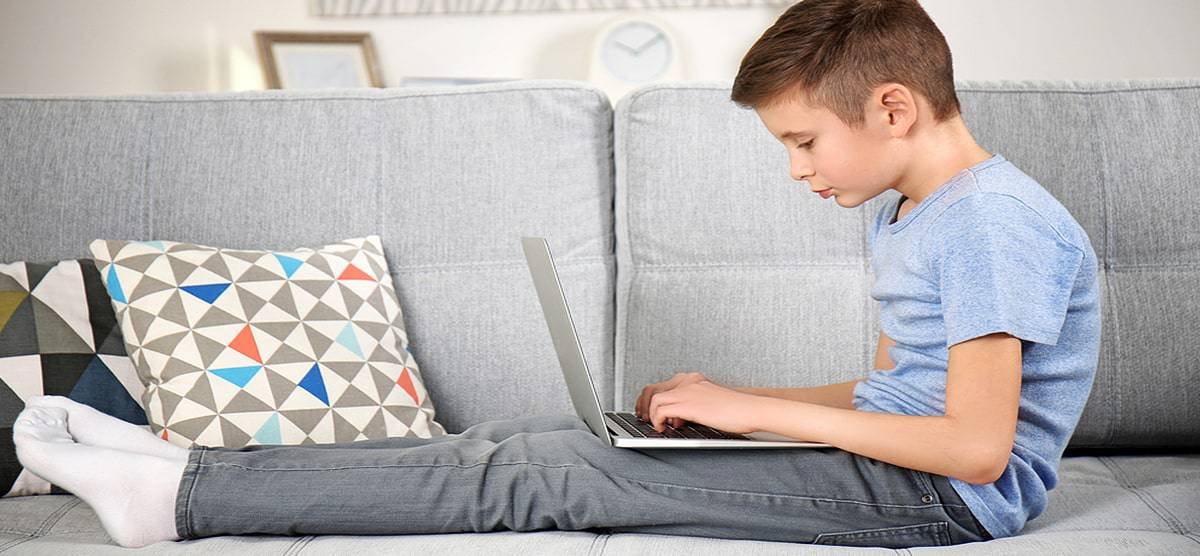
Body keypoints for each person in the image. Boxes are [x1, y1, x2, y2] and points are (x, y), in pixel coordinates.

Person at [12, 0, 1099, 549]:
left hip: (940, 503)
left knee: (537, 477)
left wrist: (756, 408)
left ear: (894, 107)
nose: (798, 168)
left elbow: (973, 444)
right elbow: (887, 390)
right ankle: (197, 454)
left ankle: (180, 499)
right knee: (518, 438)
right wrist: (722, 402)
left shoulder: (993, 222)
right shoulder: (912, 207)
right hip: (892, 461)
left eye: (804, 141)